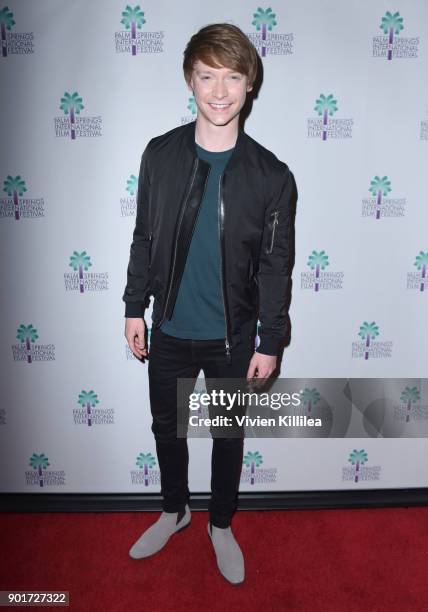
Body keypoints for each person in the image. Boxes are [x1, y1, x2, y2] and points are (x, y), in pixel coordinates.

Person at [123, 22, 296, 585]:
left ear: (250, 85)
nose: (218, 91)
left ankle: (220, 524)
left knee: (227, 436)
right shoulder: (160, 155)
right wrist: (133, 307)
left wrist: (271, 340)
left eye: (232, 77)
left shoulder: (272, 176)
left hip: (232, 338)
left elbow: (275, 265)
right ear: (189, 80)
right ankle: (174, 510)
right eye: (206, 76)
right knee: (166, 431)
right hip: (170, 329)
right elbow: (145, 237)